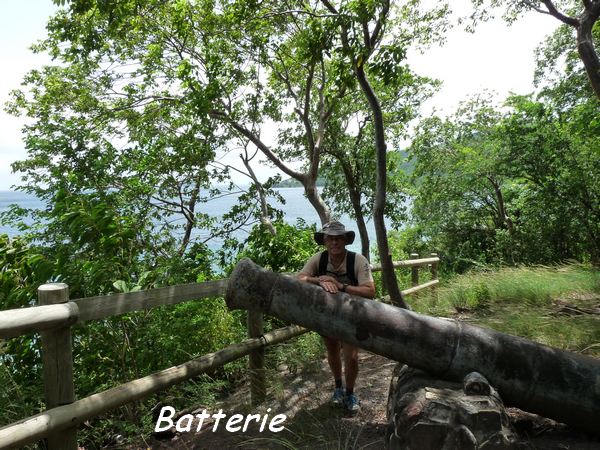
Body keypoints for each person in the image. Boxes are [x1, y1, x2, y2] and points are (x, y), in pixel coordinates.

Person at [297, 221, 376, 413]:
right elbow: (300, 278)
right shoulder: (319, 259)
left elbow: (370, 291)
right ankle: (338, 388)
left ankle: (350, 393)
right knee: (332, 351)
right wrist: (320, 280)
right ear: (324, 241)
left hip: (352, 316)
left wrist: (341, 286)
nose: (334, 242)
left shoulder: (357, 261)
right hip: (328, 317)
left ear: (345, 240)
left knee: (352, 357)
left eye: (338, 238)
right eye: (330, 238)